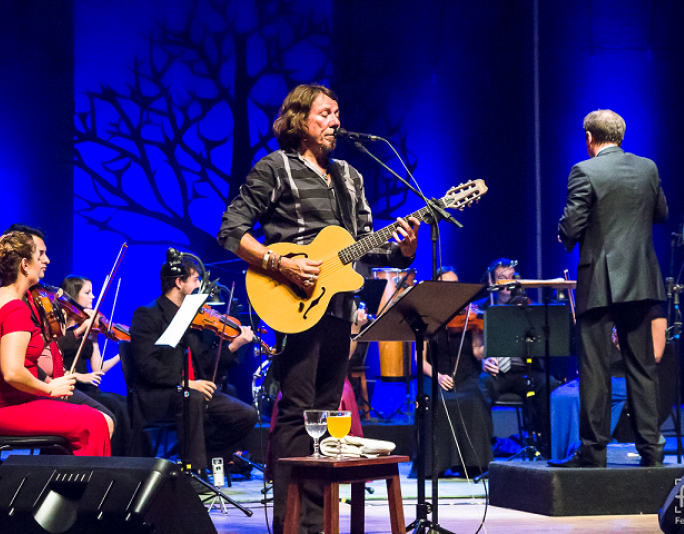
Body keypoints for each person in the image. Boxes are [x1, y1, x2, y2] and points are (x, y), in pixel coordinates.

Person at [218, 83, 419, 533]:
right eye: (326, 113)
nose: (335, 122)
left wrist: (403, 249)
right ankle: (294, 523)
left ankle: (320, 519)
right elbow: (231, 230)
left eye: (337, 113)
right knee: (297, 411)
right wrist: (280, 262)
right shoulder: (275, 168)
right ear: (299, 120)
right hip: (293, 305)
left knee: (329, 413)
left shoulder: (350, 176)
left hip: (340, 308)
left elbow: (365, 248)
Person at [550, 109, 668, 468]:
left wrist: (564, 232)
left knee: (595, 369)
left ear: (589, 138)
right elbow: (661, 214)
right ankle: (652, 451)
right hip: (642, 279)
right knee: (643, 368)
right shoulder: (648, 167)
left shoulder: (584, 171)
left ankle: (593, 451)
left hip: (600, 281)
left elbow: (570, 228)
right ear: (621, 135)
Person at [0, 231, 110, 455]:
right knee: (92, 422)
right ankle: (81, 489)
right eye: (40, 255)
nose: (46, 261)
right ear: (25, 265)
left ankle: (60, 486)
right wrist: (49, 388)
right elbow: (13, 372)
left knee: (91, 418)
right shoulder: (16, 308)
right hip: (2, 407)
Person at [128, 254, 258, 473]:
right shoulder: (147, 315)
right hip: (159, 393)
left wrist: (234, 346)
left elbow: (205, 362)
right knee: (192, 396)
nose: (199, 285)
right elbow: (147, 366)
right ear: (179, 282)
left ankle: (199, 457)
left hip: (191, 391)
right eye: (196, 279)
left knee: (246, 414)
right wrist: (186, 383)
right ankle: (195, 474)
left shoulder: (192, 316)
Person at [550, 304, 667, 460]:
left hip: (628, 378)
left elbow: (656, 354)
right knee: (559, 395)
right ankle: (563, 456)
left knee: (577, 396)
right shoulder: (603, 309)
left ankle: (581, 453)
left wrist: (625, 344)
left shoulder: (652, 310)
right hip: (600, 375)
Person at [411, 266, 493, 478]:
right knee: (437, 402)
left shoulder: (469, 315)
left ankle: (474, 465)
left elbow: (477, 352)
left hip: (466, 374)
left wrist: (486, 339)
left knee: (475, 399)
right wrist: (437, 376)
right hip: (436, 375)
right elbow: (419, 360)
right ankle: (436, 465)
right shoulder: (426, 315)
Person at [477, 258, 555, 452]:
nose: (507, 282)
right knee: (478, 387)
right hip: (496, 373)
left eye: (511, 277)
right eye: (501, 278)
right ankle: (485, 448)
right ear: (491, 282)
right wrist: (483, 361)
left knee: (550, 384)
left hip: (525, 371)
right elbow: (473, 345)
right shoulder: (479, 308)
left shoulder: (530, 307)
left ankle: (545, 444)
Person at [57, 275, 131, 456]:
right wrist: (82, 329)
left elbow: (97, 370)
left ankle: (127, 459)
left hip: (87, 388)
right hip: (68, 387)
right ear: (73, 295)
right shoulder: (58, 326)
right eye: (87, 292)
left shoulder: (88, 328)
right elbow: (55, 358)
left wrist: (119, 353)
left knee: (126, 403)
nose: (93, 297)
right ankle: (109, 460)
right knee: (115, 407)